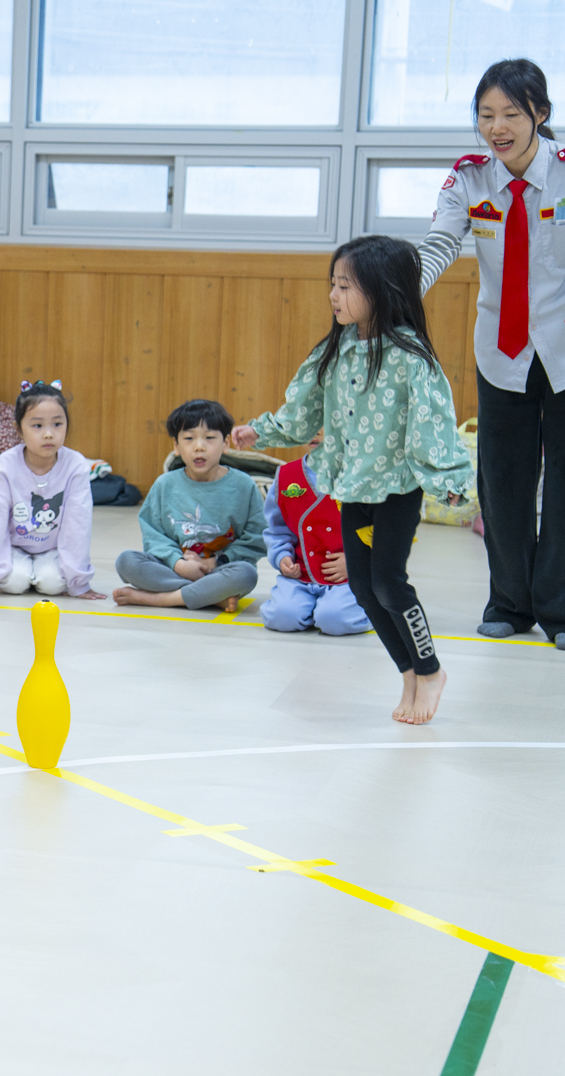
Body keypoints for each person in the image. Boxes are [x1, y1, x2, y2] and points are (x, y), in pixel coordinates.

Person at [420, 59, 565, 651]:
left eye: (511, 114)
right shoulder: (468, 179)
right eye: (486, 115)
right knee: (504, 482)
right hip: (502, 351)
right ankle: (509, 603)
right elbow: (439, 243)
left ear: (540, 113)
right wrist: (404, 291)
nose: (497, 127)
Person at [234, 236, 473, 725]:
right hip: (350, 487)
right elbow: (302, 412)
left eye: (345, 286)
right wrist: (263, 431)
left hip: (397, 490)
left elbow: (432, 426)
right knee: (364, 588)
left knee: (389, 583)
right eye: (333, 284)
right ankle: (408, 672)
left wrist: (448, 480)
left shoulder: (411, 358)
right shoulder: (335, 349)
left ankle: (430, 671)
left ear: (383, 289)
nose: (334, 295)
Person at [113, 399, 264, 613]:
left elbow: (256, 539)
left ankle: (162, 599)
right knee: (126, 561)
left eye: (209, 438)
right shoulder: (164, 484)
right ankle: (210, 596)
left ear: (226, 443)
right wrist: (179, 564)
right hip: (175, 569)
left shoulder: (244, 485)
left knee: (246, 574)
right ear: (176, 446)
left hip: (220, 570)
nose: (199, 446)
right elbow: (154, 536)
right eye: (189, 438)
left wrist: (216, 562)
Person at [0, 380, 104, 601]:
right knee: (15, 582)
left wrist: (78, 582)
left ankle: (44, 572)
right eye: (37, 425)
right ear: (19, 429)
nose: (49, 434)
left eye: (57, 424)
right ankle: (21, 570)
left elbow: (78, 526)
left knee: (53, 584)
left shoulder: (75, 465)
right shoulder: (5, 465)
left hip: (53, 550)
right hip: (14, 548)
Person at [258, 435, 371, 638]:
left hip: (348, 578)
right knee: (282, 617)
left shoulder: (362, 474)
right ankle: (312, 608)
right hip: (300, 576)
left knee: (334, 619)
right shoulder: (285, 475)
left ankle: (369, 609)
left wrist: (356, 561)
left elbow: (379, 530)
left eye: (324, 423)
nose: (316, 432)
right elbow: (277, 530)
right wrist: (282, 556)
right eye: (309, 423)